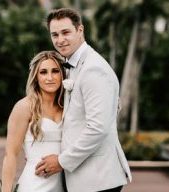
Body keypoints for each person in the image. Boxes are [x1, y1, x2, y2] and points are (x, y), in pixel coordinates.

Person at [35, 8, 132, 192]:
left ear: (80, 30)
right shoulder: (75, 65)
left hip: (97, 179)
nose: (60, 39)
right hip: (85, 178)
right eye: (54, 34)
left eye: (65, 32)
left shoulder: (94, 69)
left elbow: (97, 128)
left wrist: (62, 161)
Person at [1, 50, 66, 192]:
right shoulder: (24, 107)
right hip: (34, 185)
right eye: (43, 72)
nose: (50, 77)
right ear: (36, 77)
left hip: (65, 185)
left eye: (55, 71)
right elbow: (10, 154)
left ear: (62, 74)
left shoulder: (68, 106)